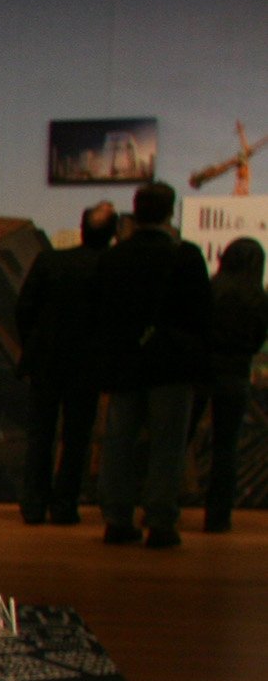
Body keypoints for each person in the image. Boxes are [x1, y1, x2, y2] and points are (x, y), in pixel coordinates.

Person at [93, 180, 211, 547]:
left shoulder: (115, 257)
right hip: (171, 365)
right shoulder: (186, 256)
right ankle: (160, 521)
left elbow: (100, 313)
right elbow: (201, 315)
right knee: (167, 446)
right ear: (170, 212)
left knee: (119, 443)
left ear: (136, 210)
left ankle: (117, 519)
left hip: (125, 364)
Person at [11, 202, 114, 524]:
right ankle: (65, 505)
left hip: (46, 360)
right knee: (77, 438)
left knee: (40, 435)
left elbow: (23, 309)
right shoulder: (109, 268)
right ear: (111, 234)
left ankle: (33, 504)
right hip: (87, 365)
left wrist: (33, 345)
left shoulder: (50, 261)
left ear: (82, 228)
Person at [202, 236, 267, 533]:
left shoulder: (211, 288)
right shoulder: (258, 297)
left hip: (202, 369)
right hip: (236, 372)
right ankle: (218, 516)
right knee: (226, 447)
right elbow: (257, 340)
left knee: (179, 442)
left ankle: (162, 508)